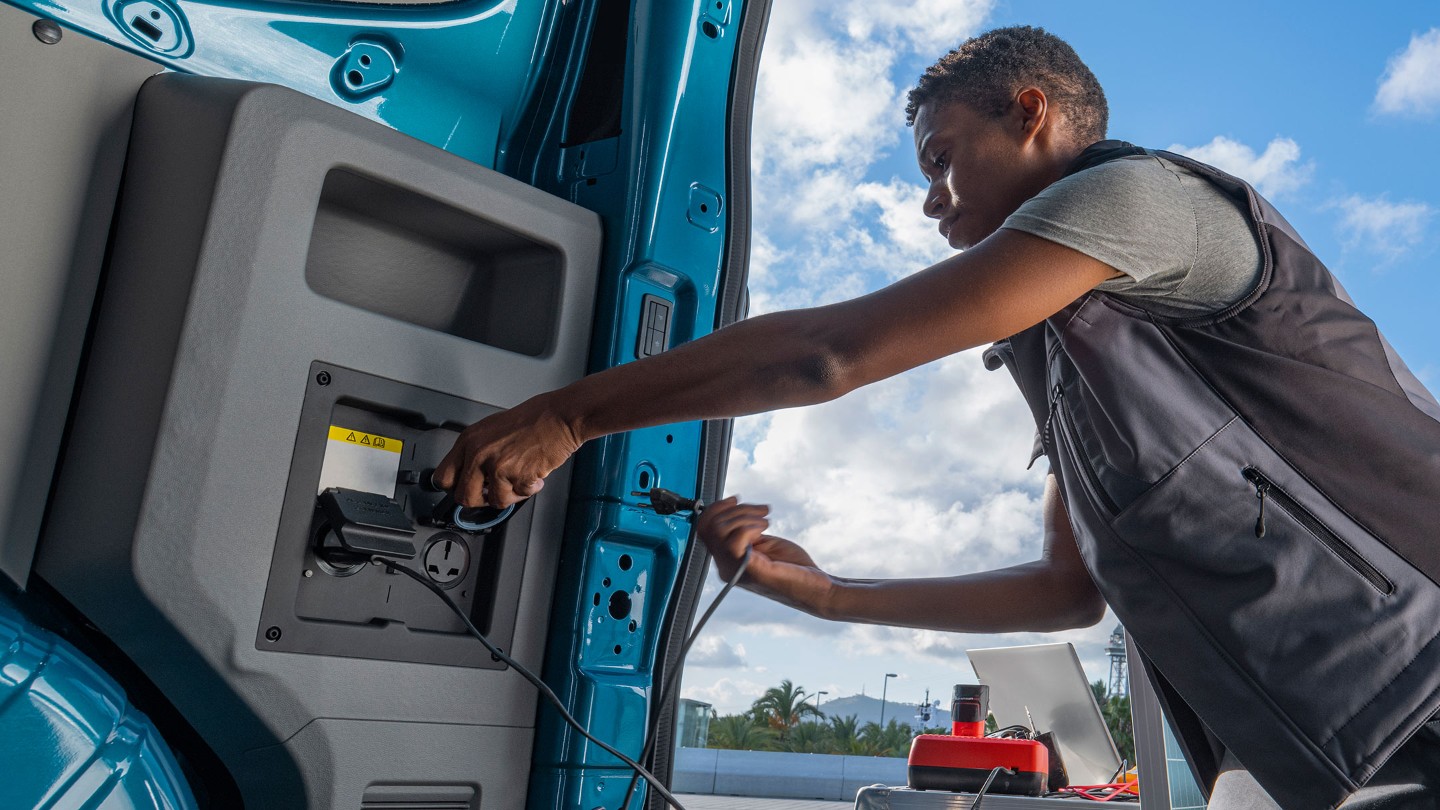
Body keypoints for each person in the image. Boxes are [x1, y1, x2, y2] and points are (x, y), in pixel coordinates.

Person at [435, 26, 1440, 810]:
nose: (930, 200)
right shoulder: (1063, 351)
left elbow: (826, 354)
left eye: (942, 158)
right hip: (1319, 739)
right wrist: (828, 599)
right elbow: (1067, 591)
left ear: (1032, 114)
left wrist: (569, 417)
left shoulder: (1142, 200)